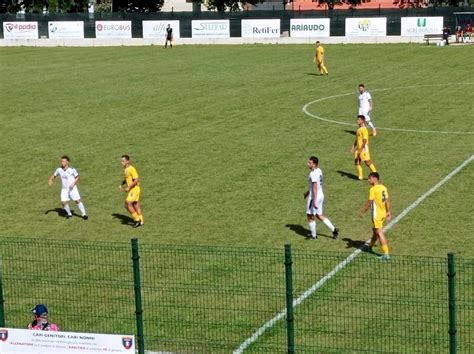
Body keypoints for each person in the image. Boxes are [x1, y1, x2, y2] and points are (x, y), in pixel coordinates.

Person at [303, 156, 339, 240]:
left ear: (314, 164)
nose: (307, 164)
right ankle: (334, 230)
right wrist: (308, 192)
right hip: (320, 195)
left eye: (309, 163)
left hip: (314, 197)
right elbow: (315, 186)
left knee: (310, 215)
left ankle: (313, 235)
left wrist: (314, 200)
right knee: (319, 215)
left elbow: (315, 187)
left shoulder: (313, 174)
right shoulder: (319, 170)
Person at [358, 172, 392, 261]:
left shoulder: (373, 189)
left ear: (374, 178)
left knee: (379, 232)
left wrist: (362, 212)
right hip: (383, 213)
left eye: (369, 178)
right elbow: (387, 201)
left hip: (377, 215)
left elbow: (369, 203)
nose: (368, 180)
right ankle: (370, 247)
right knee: (375, 231)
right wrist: (388, 211)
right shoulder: (383, 187)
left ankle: (386, 254)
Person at [48, 155, 88, 220]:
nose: (62, 162)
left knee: (77, 201)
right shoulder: (59, 169)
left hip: (72, 188)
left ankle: (84, 214)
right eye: (61, 161)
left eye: (64, 161)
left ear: (68, 162)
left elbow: (77, 177)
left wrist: (73, 183)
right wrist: (50, 179)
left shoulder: (72, 170)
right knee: (64, 202)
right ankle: (69, 214)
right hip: (64, 189)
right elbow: (54, 175)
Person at [119, 155, 143, 228]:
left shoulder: (131, 169)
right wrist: (121, 184)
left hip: (134, 188)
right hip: (133, 189)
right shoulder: (126, 169)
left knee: (127, 203)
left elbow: (136, 179)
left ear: (127, 161)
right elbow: (127, 178)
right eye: (121, 161)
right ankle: (141, 220)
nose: (121, 162)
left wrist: (129, 187)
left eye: (123, 161)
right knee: (135, 204)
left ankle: (137, 219)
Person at [351, 115, 377, 181]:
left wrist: (360, 149)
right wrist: (353, 147)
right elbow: (357, 139)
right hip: (359, 149)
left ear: (362, 121)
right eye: (357, 119)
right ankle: (360, 177)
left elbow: (365, 140)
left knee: (367, 162)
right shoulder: (358, 129)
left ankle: (375, 174)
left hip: (363, 149)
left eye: (359, 119)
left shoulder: (364, 129)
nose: (357, 121)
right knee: (357, 162)